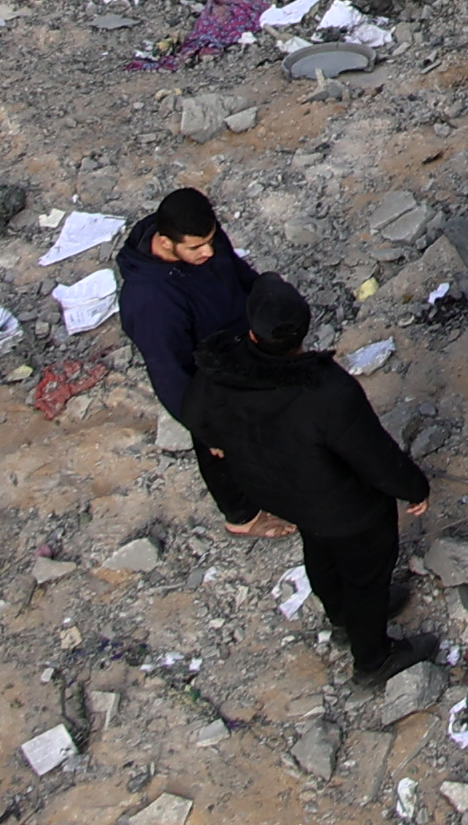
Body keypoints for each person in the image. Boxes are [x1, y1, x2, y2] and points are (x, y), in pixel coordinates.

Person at [187, 281, 436, 685]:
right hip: (345, 508)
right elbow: (371, 453)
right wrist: (412, 487)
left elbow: (195, 415)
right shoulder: (327, 391)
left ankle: (341, 619)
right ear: (301, 334)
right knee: (366, 577)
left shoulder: (221, 368)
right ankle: (373, 658)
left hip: (279, 493)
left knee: (318, 550)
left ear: (252, 330)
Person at [115, 187, 272, 525]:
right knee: (219, 450)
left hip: (245, 345)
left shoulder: (204, 241)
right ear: (166, 242)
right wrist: (206, 427)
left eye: (211, 240)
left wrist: (267, 300)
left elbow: (237, 271)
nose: (208, 251)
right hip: (210, 375)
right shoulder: (151, 301)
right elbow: (170, 374)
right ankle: (242, 516)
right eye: (196, 247)